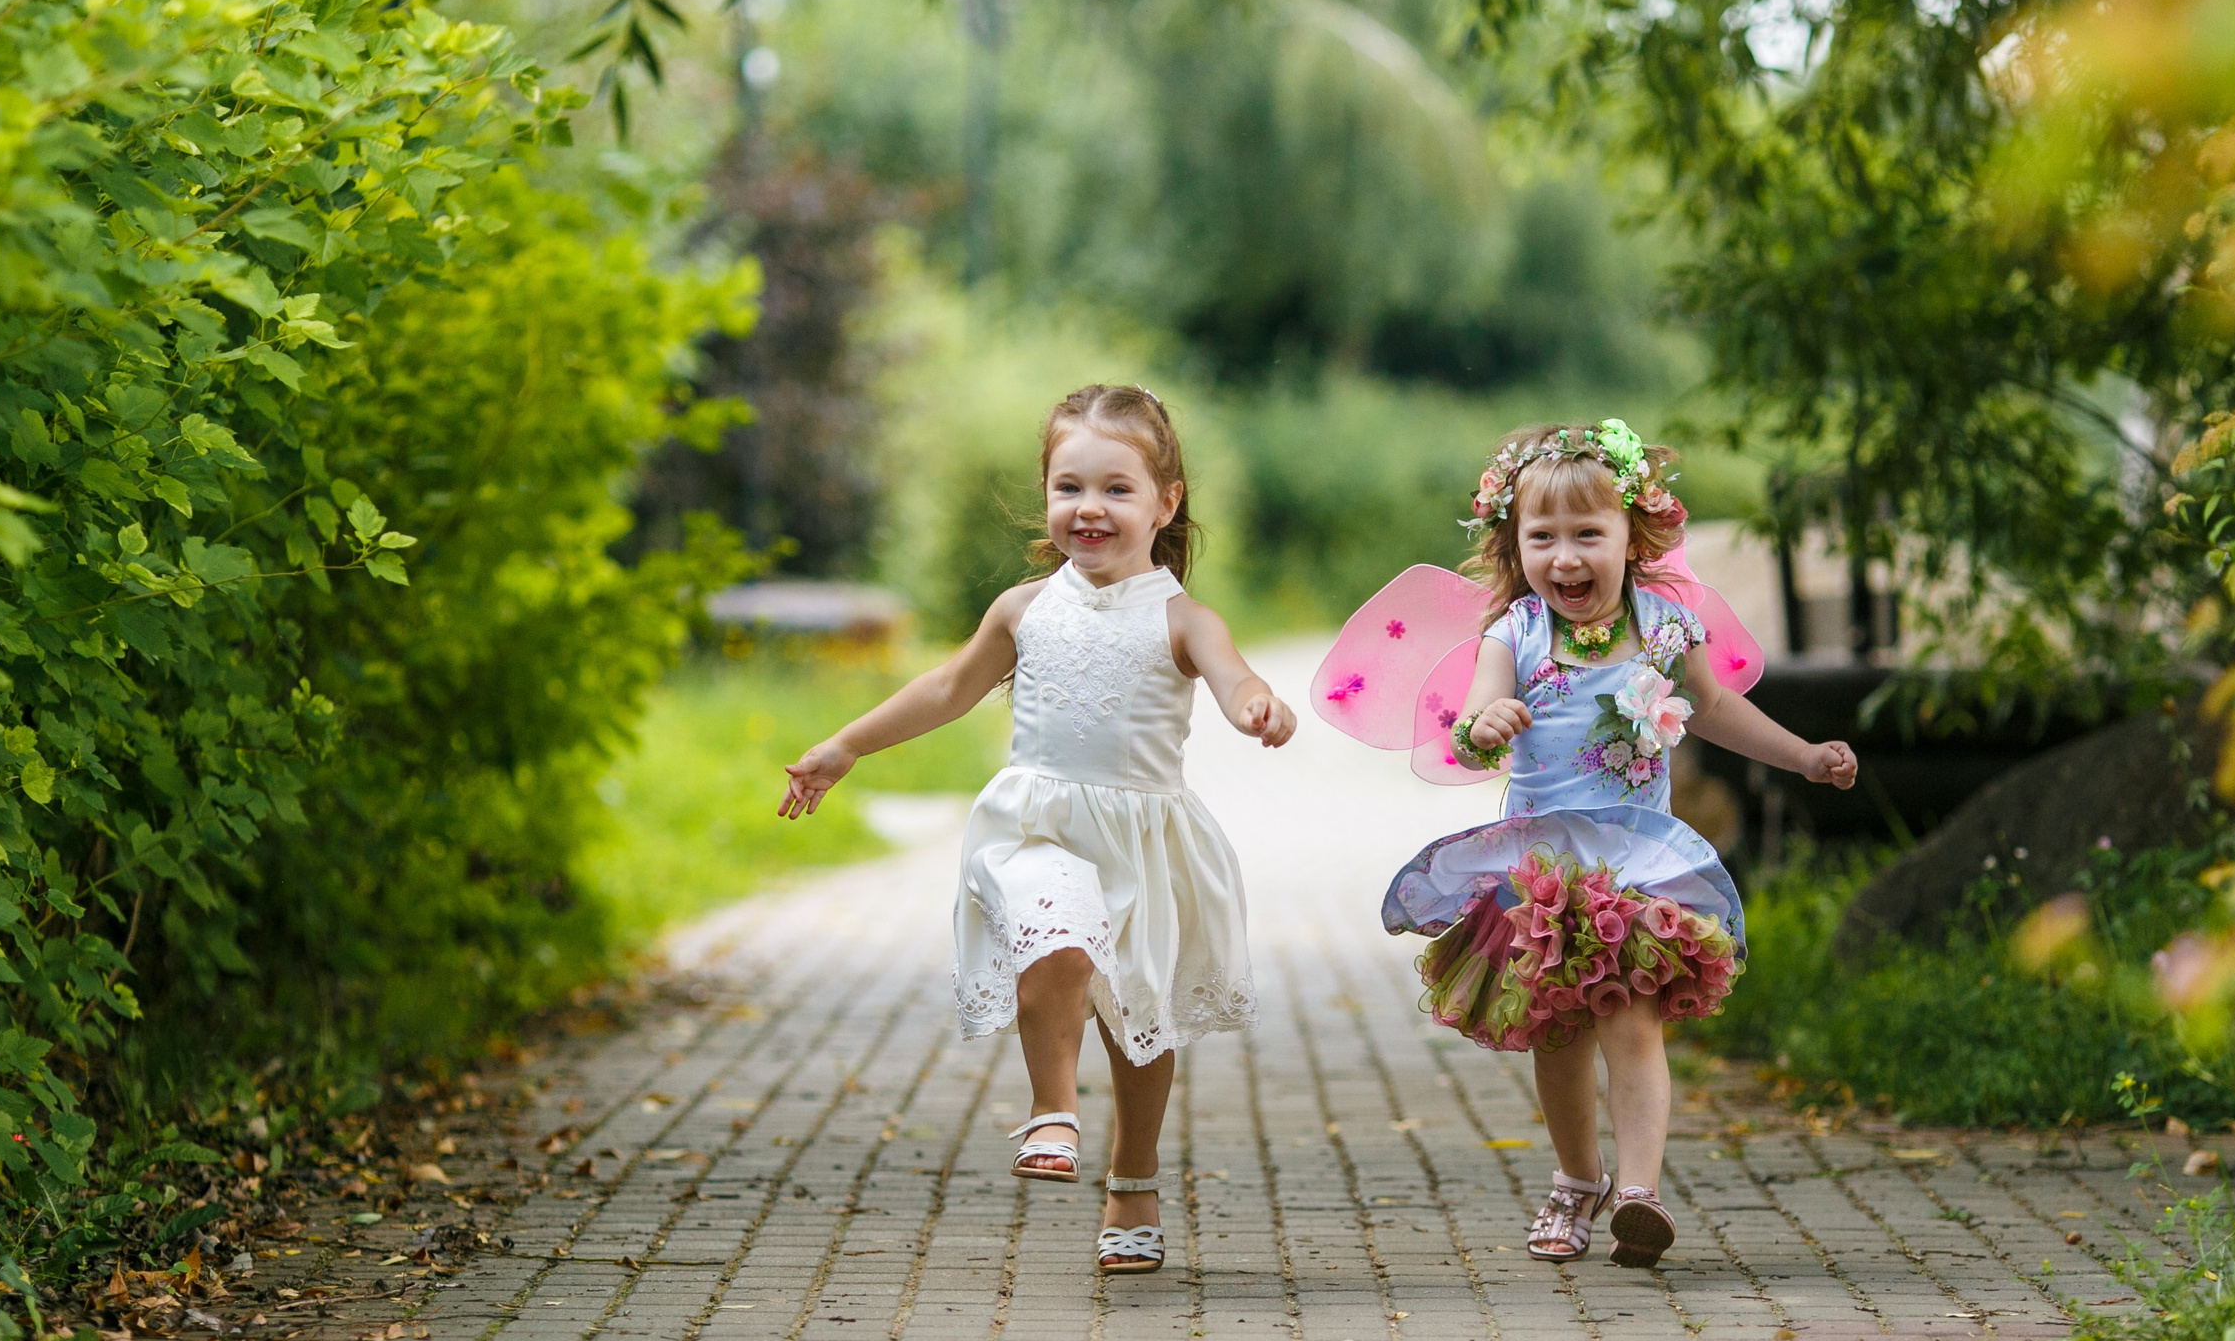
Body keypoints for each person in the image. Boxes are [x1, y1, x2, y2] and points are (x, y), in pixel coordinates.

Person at [779, 385, 1294, 1275]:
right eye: (1069, 486)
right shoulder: (1023, 608)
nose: (1088, 508)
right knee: (1051, 941)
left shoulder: (1181, 616)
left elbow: (1231, 673)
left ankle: (1132, 1178)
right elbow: (945, 688)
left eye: (1116, 489)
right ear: (1048, 493)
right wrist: (846, 745)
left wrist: (1257, 703)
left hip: (1142, 840)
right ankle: (1053, 1109)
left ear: (1166, 502)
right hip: (1038, 827)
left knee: (1141, 1018)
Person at [1375, 420, 1855, 1267]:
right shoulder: (1515, 633)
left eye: (1587, 534)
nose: (1566, 557)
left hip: (1640, 865)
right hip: (1545, 874)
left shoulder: (1667, 625)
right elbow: (1473, 729)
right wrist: (1489, 721)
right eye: (1542, 537)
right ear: (1513, 543)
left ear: (1633, 537)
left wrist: (1804, 755)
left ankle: (1640, 1189)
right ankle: (1576, 1178)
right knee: (1557, 1035)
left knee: (1633, 1020)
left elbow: (1717, 708)